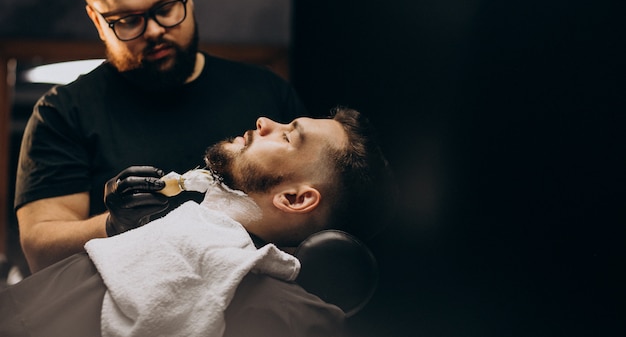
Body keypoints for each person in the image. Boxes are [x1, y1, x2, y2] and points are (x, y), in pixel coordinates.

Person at [14, 0, 307, 274]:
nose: (154, 31)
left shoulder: (266, 92)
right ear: (97, 19)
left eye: (166, 7)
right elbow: (40, 251)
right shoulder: (63, 112)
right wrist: (113, 224)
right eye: (128, 20)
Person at [1, 107, 396, 337]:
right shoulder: (161, 241)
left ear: (294, 198)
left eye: (288, 136)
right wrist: (113, 224)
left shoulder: (284, 317)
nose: (263, 121)